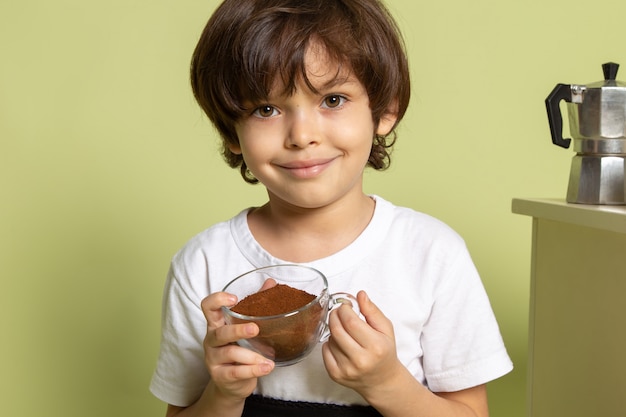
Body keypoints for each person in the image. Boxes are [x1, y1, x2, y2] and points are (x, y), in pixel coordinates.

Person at [149, 0, 513, 416]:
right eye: (266, 109)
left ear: (385, 109)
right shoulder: (203, 264)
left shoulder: (431, 254)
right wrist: (224, 394)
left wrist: (388, 383)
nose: (302, 135)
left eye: (333, 100)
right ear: (231, 131)